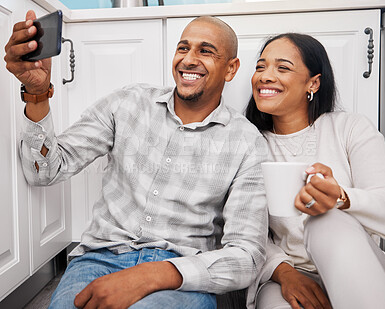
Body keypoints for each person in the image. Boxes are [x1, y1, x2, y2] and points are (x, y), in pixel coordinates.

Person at [4, 11, 270, 309]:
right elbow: (45, 171)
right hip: (98, 260)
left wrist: (154, 274)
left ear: (231, 68)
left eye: (205, 51)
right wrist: (37, 95)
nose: (189, 59)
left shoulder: (247, 142)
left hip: (181, 274)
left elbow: (247, 256)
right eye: (183, 48)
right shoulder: (128, 103)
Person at [245, 33, 385, 309]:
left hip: (362, 269)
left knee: (324, 221)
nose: (265, 76)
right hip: (292, 275)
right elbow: (244, 230)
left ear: (313, 83)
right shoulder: (248, 145)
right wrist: (285, 273)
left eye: (282, 67)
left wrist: (340, 198)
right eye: (260, 67)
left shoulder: (350, 128)